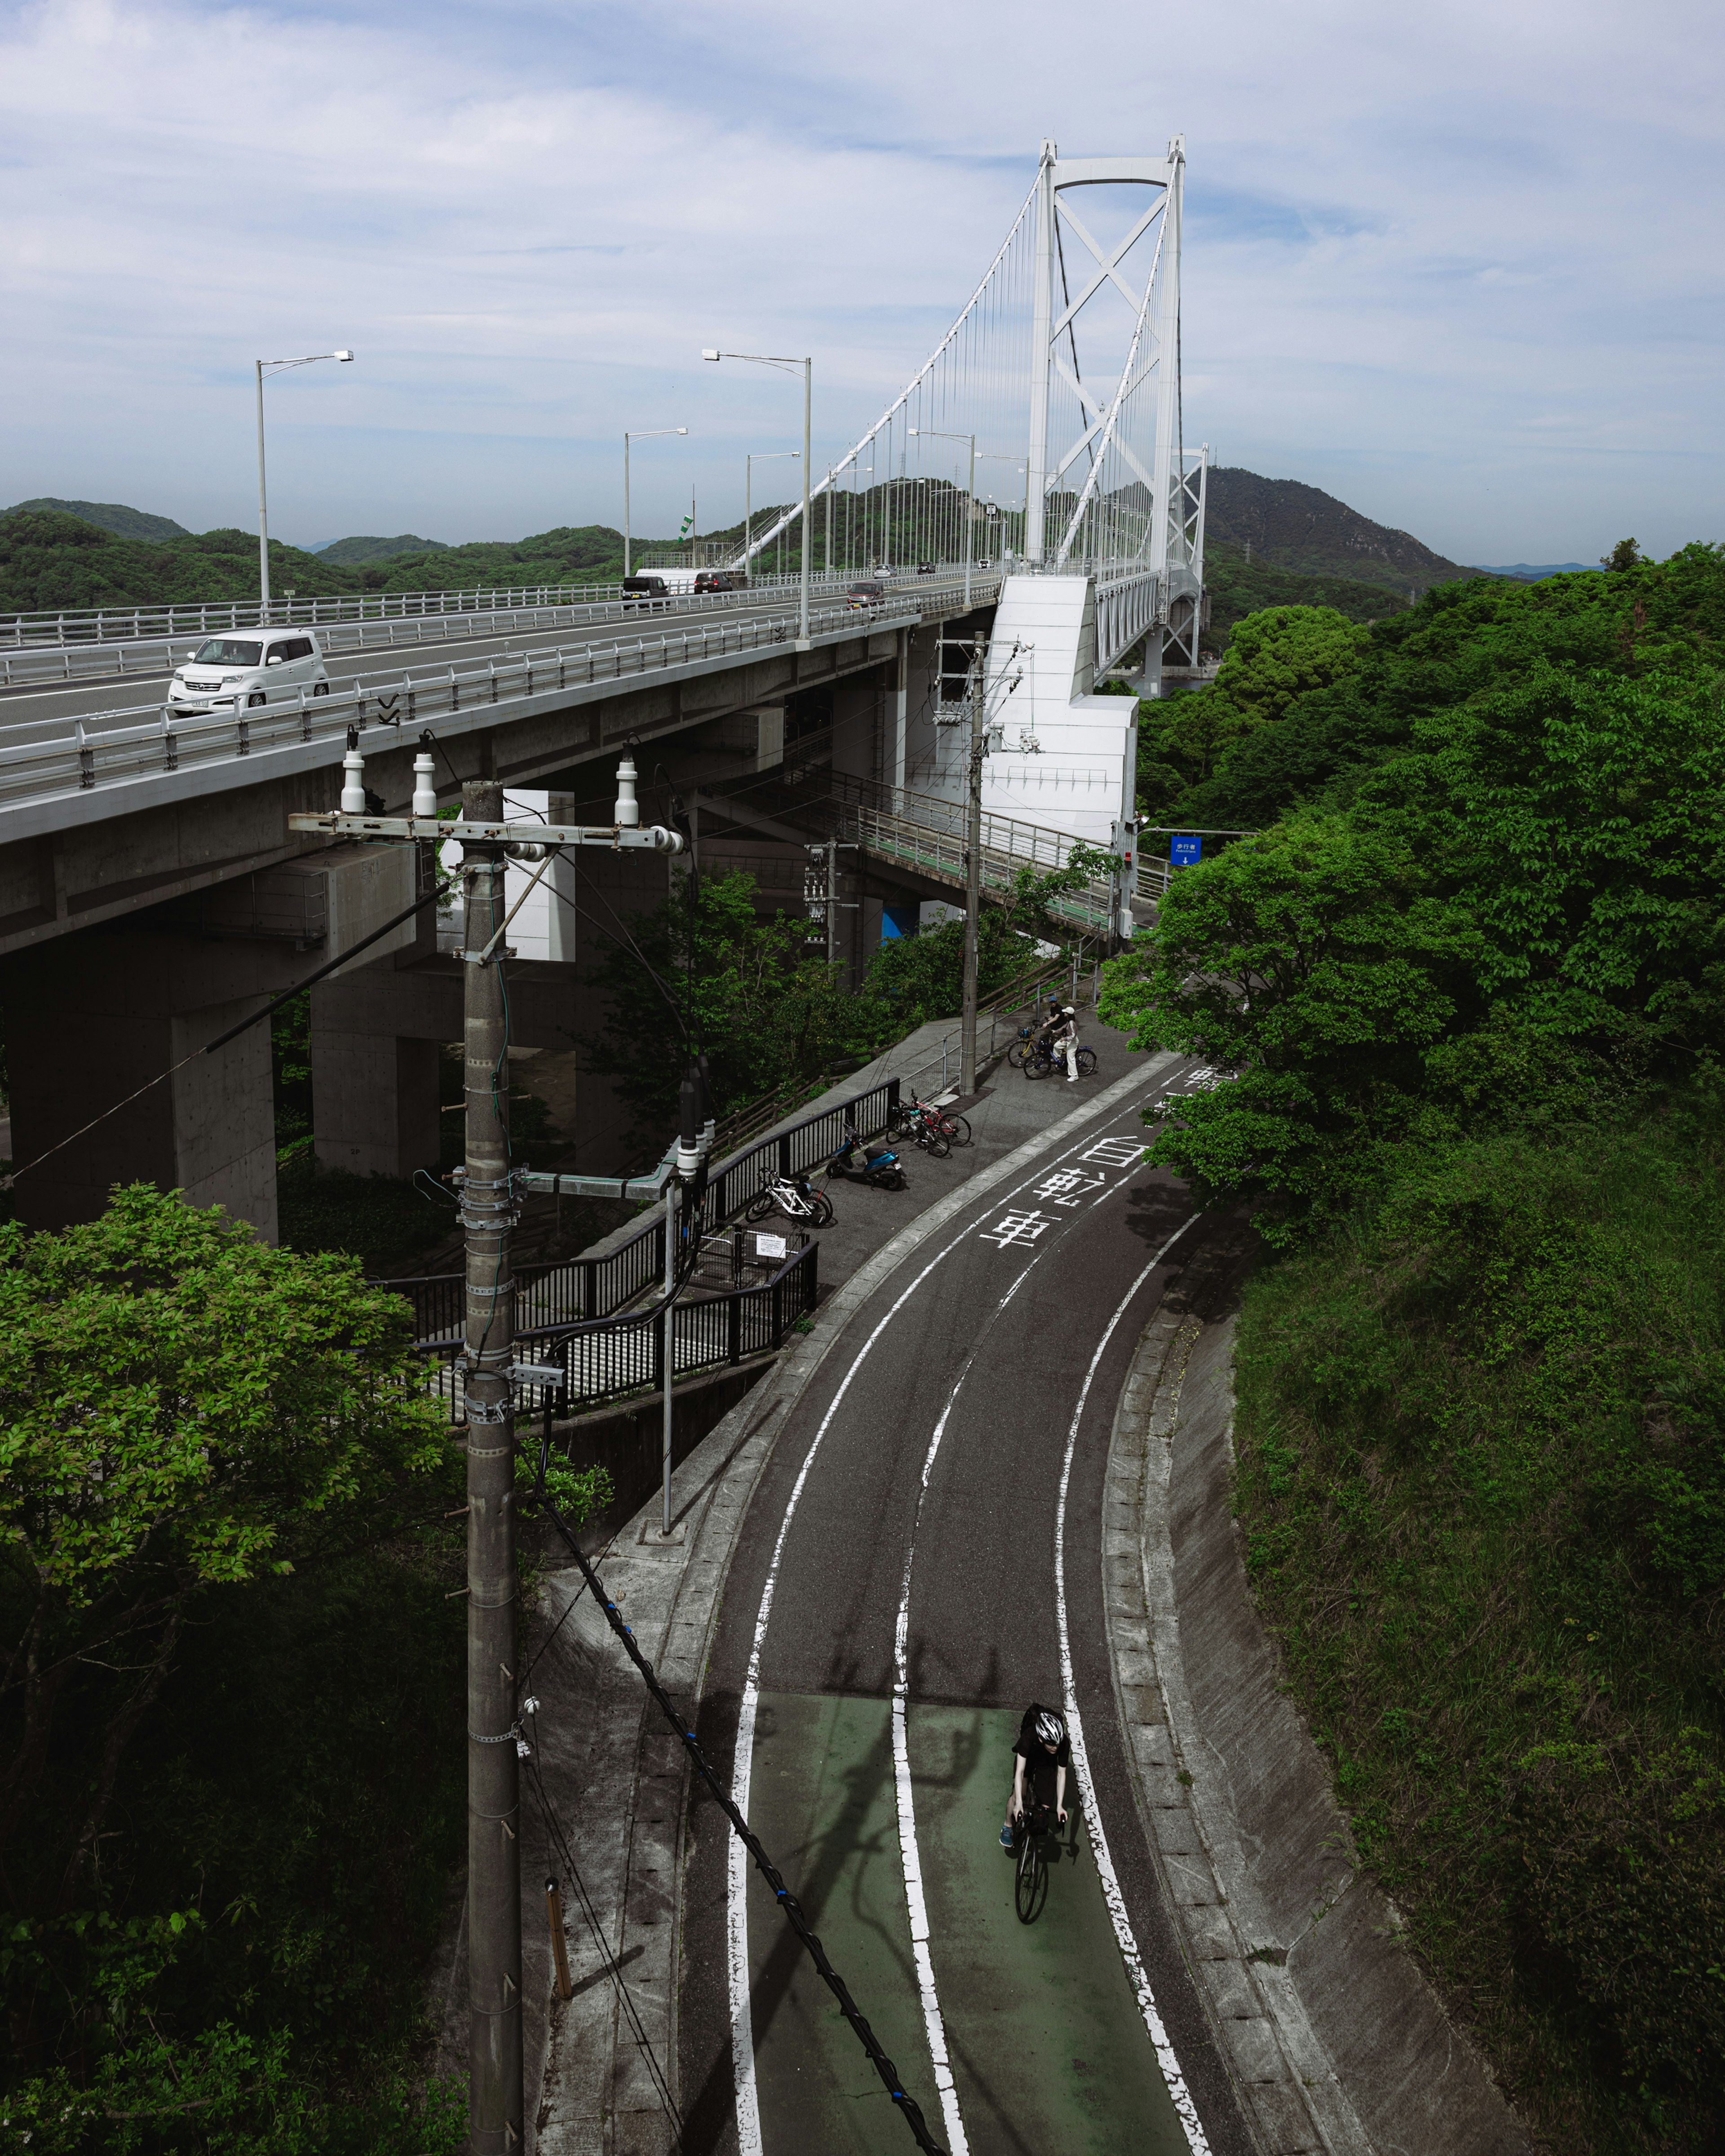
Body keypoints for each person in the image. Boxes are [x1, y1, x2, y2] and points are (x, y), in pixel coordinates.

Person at [1000, 1705, 1070, 1848]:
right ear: (1041, 1739)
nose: (1056, 1748)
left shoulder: (1063, 1744)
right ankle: (1007, 1826)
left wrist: (1060, 1806)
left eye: (1057, 1744)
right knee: (1019, 1793)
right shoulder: (1029, 1736)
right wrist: (1019, 1801)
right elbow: (1020, 1771)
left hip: (1047, 1763)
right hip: (1029, 1758)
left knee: (1044, 1809)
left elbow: (1062, 1774)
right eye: (1052, 1744)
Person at [1050, 1004, 1080, 1082]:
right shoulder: (1068, 1022)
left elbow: (1074, 1035)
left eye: (1066, 1013)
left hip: (1073, 1042)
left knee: (1070, 1058)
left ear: (1068, 1014)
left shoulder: (1072, 1023)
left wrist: (1065, 1038)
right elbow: (1063, 1028)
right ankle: (1057, 1059)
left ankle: (1074, 1075)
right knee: (1057, 1046)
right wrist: (1055, 1032)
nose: (1064, 1014)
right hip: (1068, 1040)